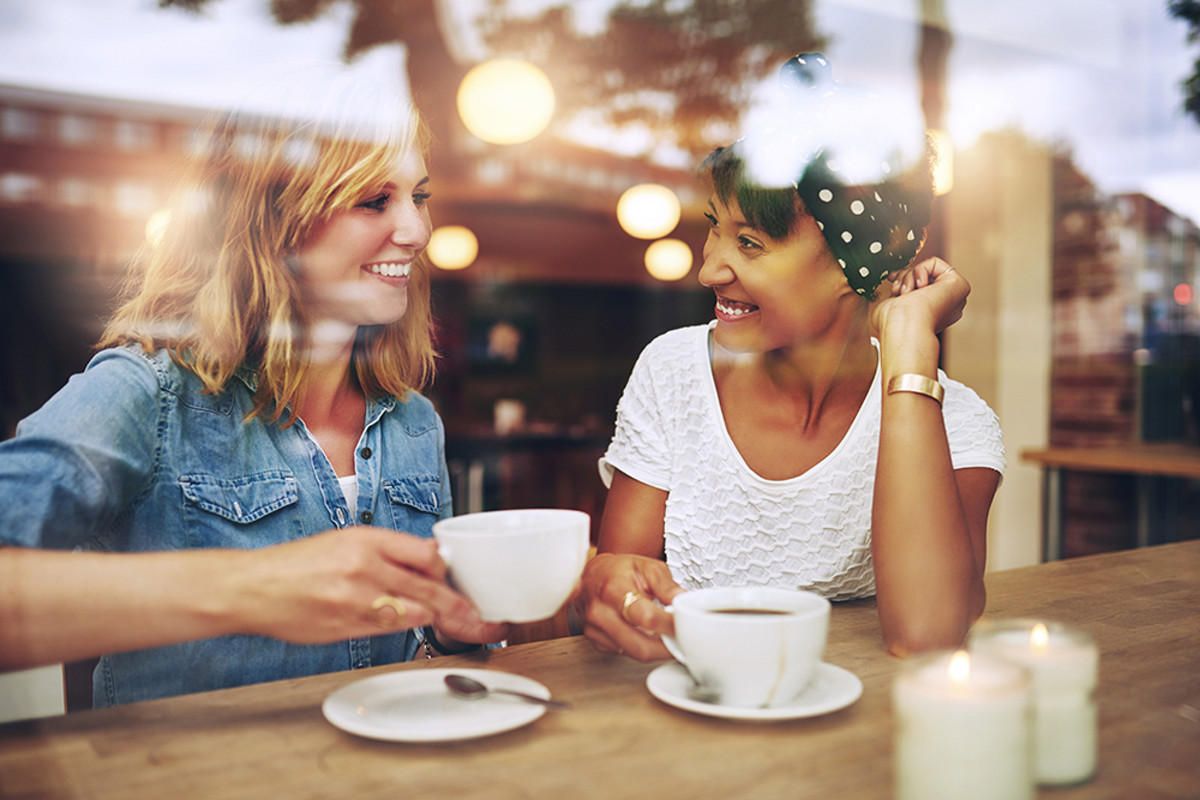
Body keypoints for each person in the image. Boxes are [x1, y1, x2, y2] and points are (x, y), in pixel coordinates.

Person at [0, 73, 506, 705]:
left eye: (419, 196)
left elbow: (412, 651)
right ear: (273, 221)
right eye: (375, 200)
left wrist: (455, 636)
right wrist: (253, 586)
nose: (416, 231)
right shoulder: (146, 394)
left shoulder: (413, 420)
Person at [580, 53, 1005, 661]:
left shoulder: (953, 423)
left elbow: (927, 636)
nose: (709, 268)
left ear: (858, 263)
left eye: (749, 242)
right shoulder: (674, 372)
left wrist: (910, 341)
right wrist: (604, 591)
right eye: (714, 228)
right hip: (692, 712)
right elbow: (624, 592)